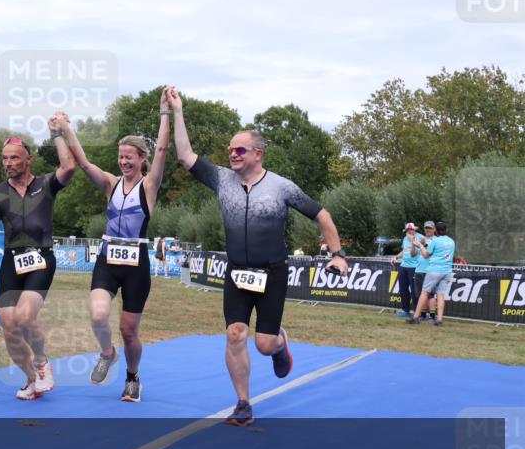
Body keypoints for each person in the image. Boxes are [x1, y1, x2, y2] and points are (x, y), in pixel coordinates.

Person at [168, 85, 348, 426]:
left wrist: (337, 254)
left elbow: (322, 215)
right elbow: (185, 155)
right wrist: (178, 111)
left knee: (263, 344)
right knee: (235, 333)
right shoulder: (222, 180)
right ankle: (243, 404)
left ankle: (281, 345)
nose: (232, 154)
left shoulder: (281, 187)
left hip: (272, 273)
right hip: (237, 272)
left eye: (239, 149)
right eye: (230, 149)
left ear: (258, 154)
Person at [63, 90, 170, 403]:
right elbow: (83, 164)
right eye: (120, 156)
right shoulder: (110, 184)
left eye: (129, 157)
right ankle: (107, 353)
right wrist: (67, 129)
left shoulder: (148, 186)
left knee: (129, 331)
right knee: (98, 316)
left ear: (141, 159)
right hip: (108, 258)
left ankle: (133, 376)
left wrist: (166, 113)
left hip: (136, 263)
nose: (124, 161)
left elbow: (163, 148)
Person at [0, 115, 76, 400]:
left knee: (25, 317)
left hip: (41, 258)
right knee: (10, 328)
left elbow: (69, 166)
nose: (8, 163)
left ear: (28, 160)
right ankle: (31, 380)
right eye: (4, 159)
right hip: (12, 261)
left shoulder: (46, 184)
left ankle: (41, 363)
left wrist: (57, 134)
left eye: (14, 158)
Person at [409, 221, 455, 327]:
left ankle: (416, 317)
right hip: (447, 271)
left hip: (434, 270)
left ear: (436, 231)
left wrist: (419, 245)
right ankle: (439, 320)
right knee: (440, 295)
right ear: (446, 230)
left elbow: (426, 255)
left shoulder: (436, 241)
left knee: (424, 293)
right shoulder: (452, 241)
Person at [390, 222, 422, 318]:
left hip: (414, 268)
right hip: (403, 266)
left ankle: (417, 312)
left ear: (414, 230)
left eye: (411, 230)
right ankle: (405, 310)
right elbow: (404, 251)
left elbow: (413, 254)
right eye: (407, 230)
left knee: (414, 290)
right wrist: (396, 257)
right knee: (402, 289)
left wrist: (412, 241)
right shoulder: (405, 238)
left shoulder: (419, 238)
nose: (409, 232)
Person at [413, 221, 437, 319]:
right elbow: (413, 254)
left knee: (430, 295)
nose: (428, 230)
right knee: (420, 294)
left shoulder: (436, 240)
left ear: (434, 229)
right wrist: (415, 244)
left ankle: (432, 316)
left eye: (430, 228)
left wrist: (423, 244)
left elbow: (428, 254)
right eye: (426, 228)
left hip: (430, 271)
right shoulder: (421, 239)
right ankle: (423, 315)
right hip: (419, 270)